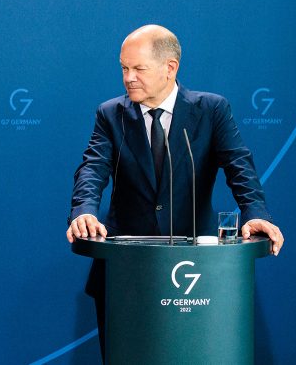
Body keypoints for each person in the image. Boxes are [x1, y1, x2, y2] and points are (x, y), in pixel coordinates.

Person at [66, 24, 283, 360]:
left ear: (170, 67)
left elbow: (239, 167)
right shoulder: (110, 114)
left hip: (198, 274)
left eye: (139, 68)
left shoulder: (211, 110)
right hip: (127, 274)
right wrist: (84, 210)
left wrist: (256, 214)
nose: (128, 78)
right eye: (124, 68)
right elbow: (93, 167)